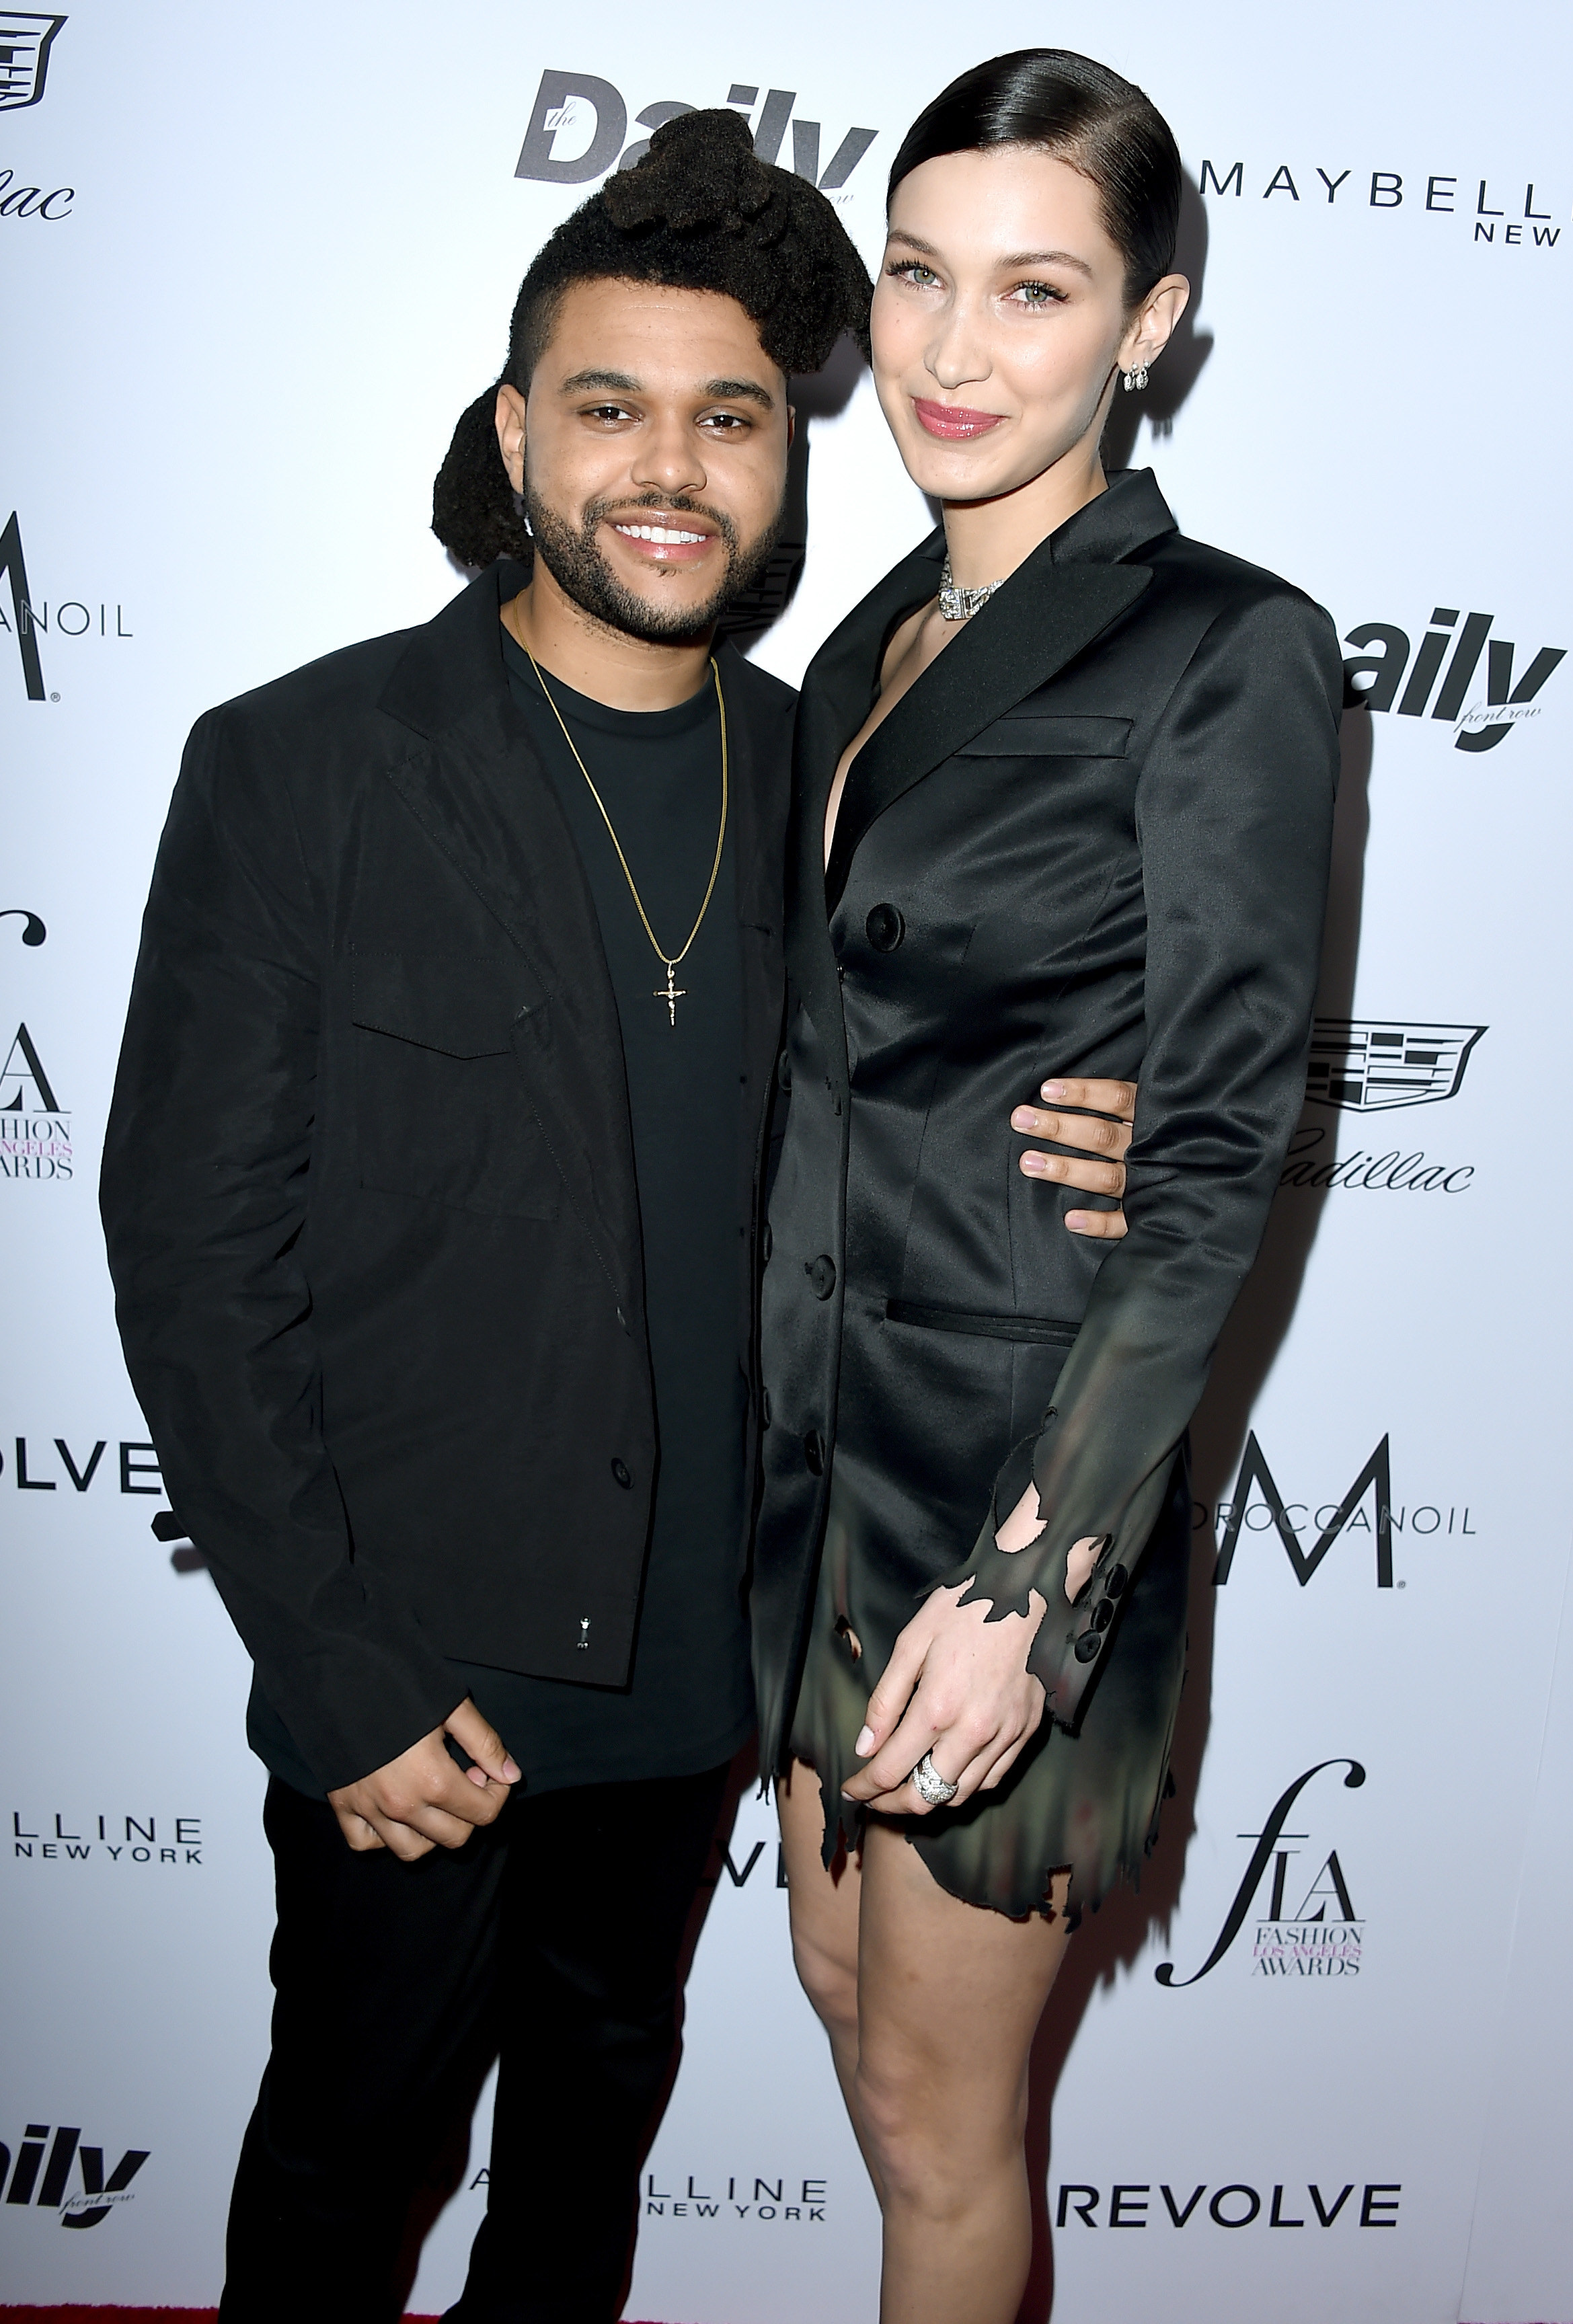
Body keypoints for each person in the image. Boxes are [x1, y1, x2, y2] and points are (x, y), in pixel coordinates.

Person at [100, 108, 1130, 2323]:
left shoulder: (838, 773)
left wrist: (1140, 1131)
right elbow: (189, 1251)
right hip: (421, 1684)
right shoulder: (304, 764)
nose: (671, 468)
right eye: (613, 409)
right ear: (517, 433)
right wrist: (334, 1670)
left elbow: (962, 1087)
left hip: (704, 1675)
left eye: (731, 418)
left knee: (585, 2176)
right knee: (341, 2171)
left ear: (790, 459)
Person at [753, 49, 1344, 2324]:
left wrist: (1037, 1583)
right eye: (918, 276)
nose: (953, 349)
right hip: (819, 1486)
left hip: (1015, 1504)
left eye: (1035, 290)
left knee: (934, 2124)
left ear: (1150, 323)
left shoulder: (1226, 652)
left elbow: (1203, 1170)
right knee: (852, 2028)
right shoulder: (857, 653)